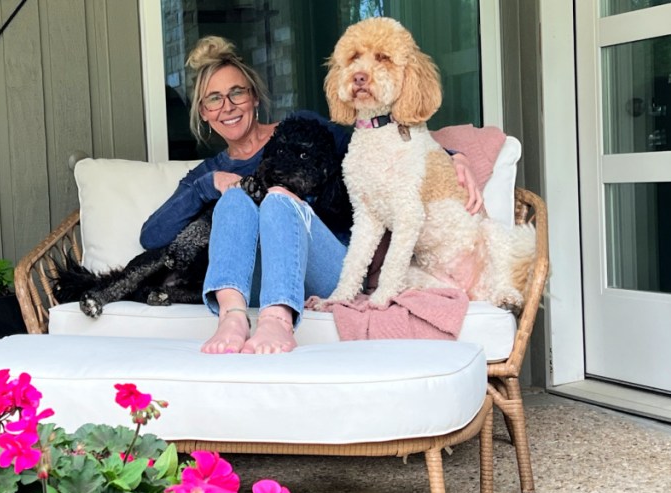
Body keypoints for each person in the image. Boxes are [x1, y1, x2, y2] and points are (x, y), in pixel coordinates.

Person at [139, 36, 483, 355]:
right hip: (257, 281)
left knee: (278, 199)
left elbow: (374, 144)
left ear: (254, 97)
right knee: (233, 200)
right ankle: (232, 317)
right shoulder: (208, 173)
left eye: (237, 93)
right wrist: (208, 185)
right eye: (214, 99)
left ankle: (277, 322)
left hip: (327, 267)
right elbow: (151, 235)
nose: (227, 106)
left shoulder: (301, 130)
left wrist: (453, 157)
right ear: (203, 112)